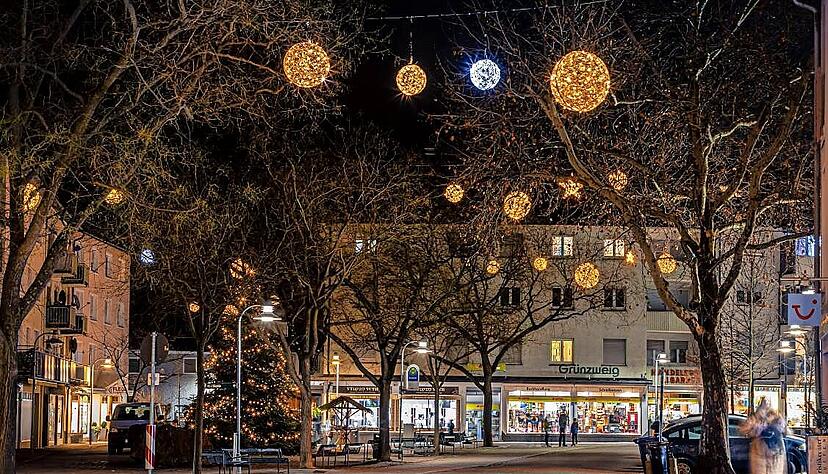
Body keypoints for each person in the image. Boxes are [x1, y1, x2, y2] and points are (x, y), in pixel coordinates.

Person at [740, 399, 787, 474]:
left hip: (771, 453)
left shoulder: (775, 423)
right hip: (764, 452)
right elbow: (744, 429)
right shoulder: (759, 423)